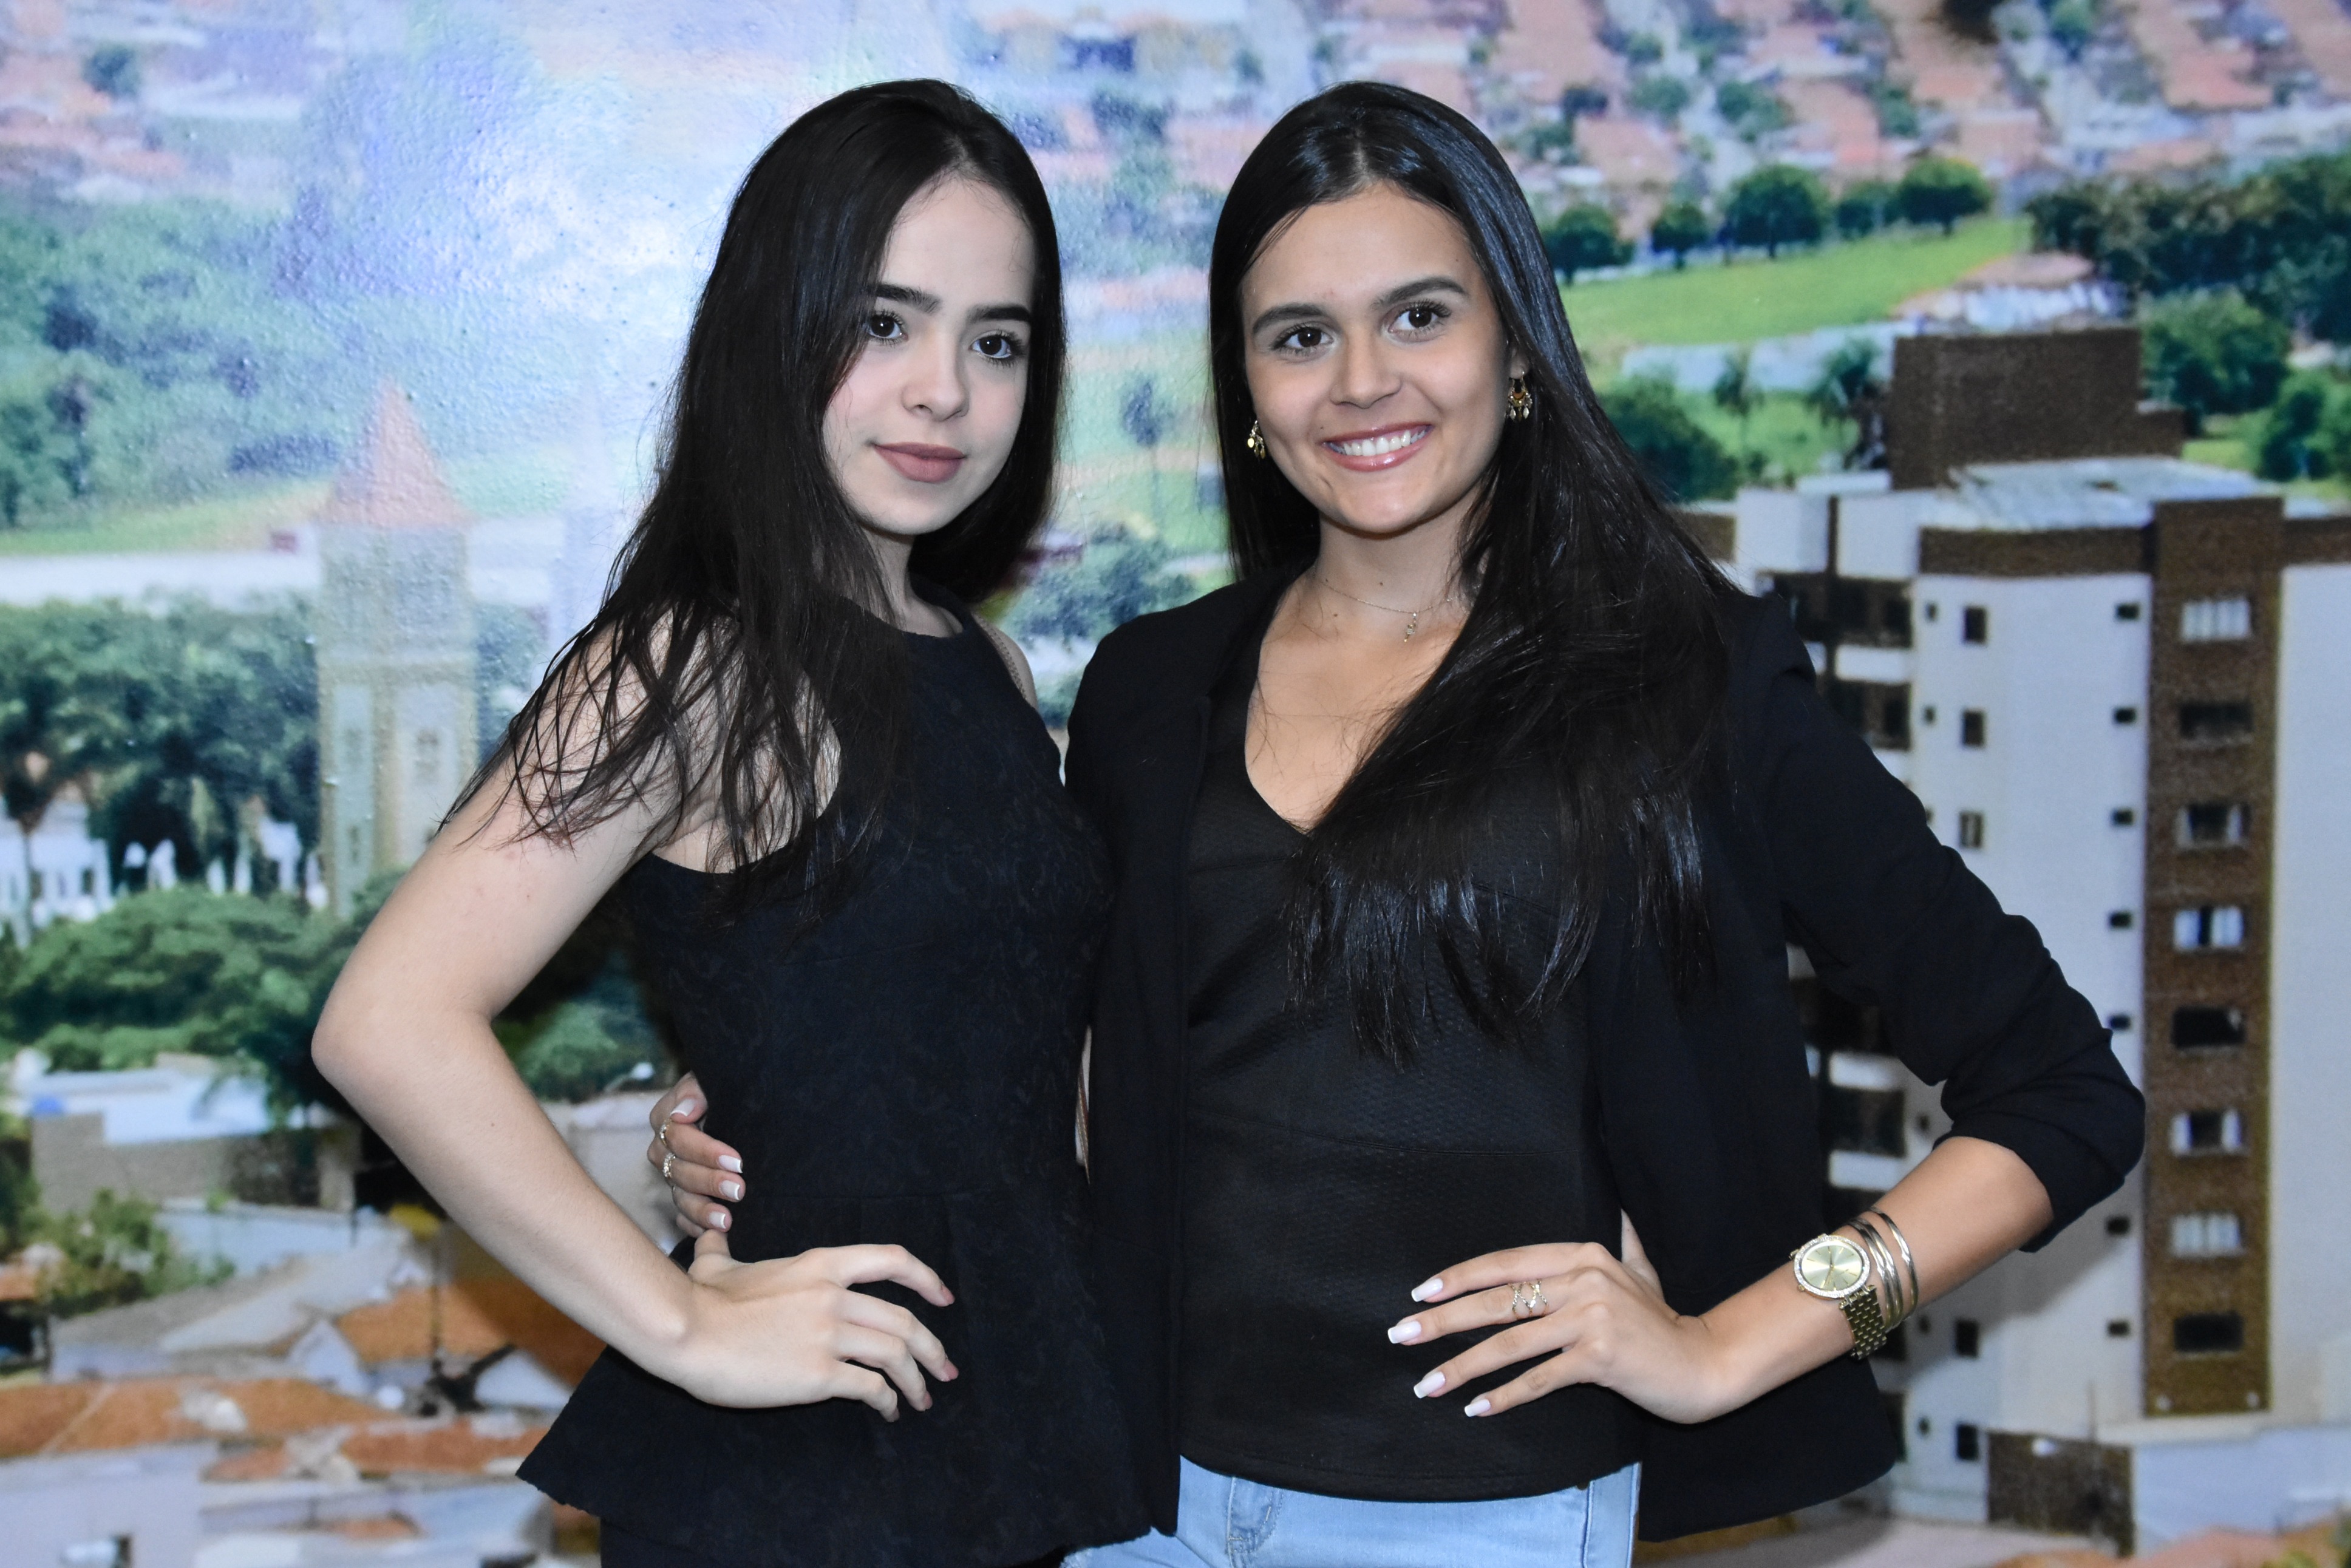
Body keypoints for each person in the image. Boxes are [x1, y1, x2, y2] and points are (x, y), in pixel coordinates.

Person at [652, 82, 2145, 1568]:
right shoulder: (1147, 689)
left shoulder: (1691, 679)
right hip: (1124, 1507)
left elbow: (2063, 1094)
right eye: (1299, 336)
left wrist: (1732, 1343)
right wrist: (779, 1086)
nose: (1362, 381)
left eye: (1419, 316)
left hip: (1489, 1521)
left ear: (1516, 347)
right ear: (1246, 388)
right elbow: (1047, 1030)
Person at [313, 80, 1146, 1568]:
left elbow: (975, 1032)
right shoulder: (691, 663)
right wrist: (681, 1323)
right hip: (793, 1481)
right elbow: (387, 1020)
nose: (944, 391)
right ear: (776, 329)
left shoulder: (992, 664)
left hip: (1008, 1439)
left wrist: (748, 1085)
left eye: (995, 340)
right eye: (883, 323)